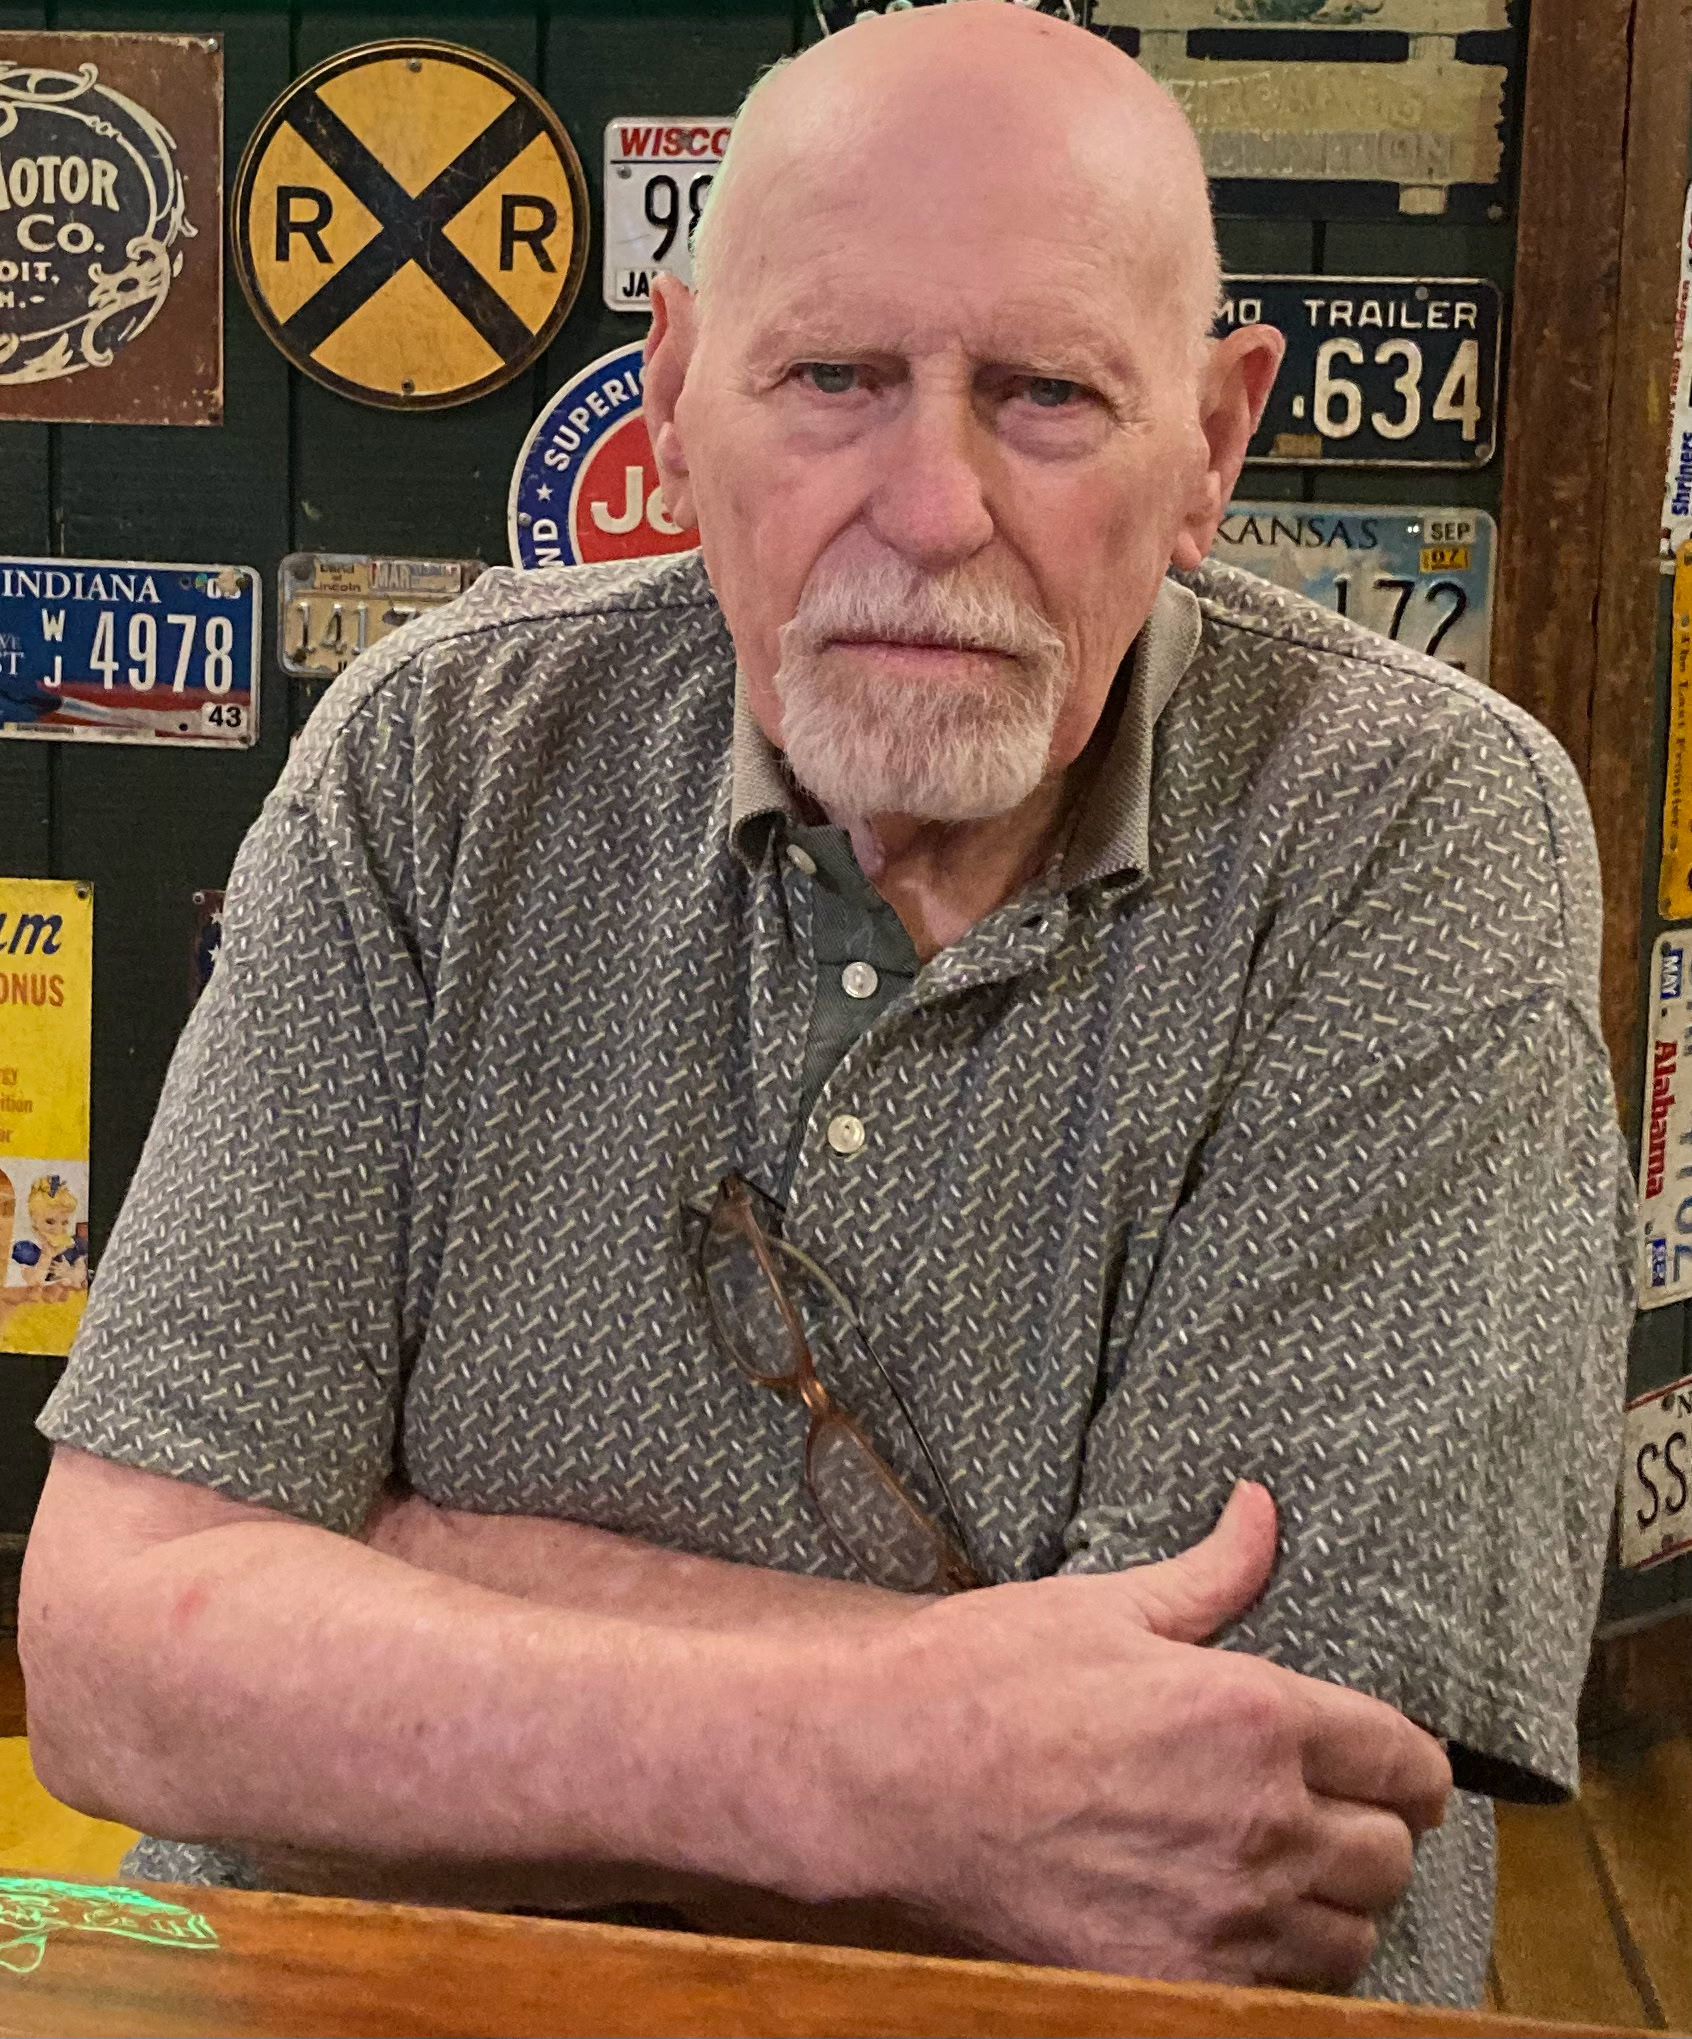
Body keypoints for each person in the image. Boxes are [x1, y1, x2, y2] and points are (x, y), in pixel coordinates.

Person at [20, 3, 1631, 2010]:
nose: (931, 506)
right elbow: (123, 1659)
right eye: (833, 379)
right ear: (677, 401)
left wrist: (397, 1598)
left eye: (1046, 394)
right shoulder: (433, 759)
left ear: (1210, 448)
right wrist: (908, 1762)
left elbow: (1241, 1828)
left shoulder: (1414, 825)